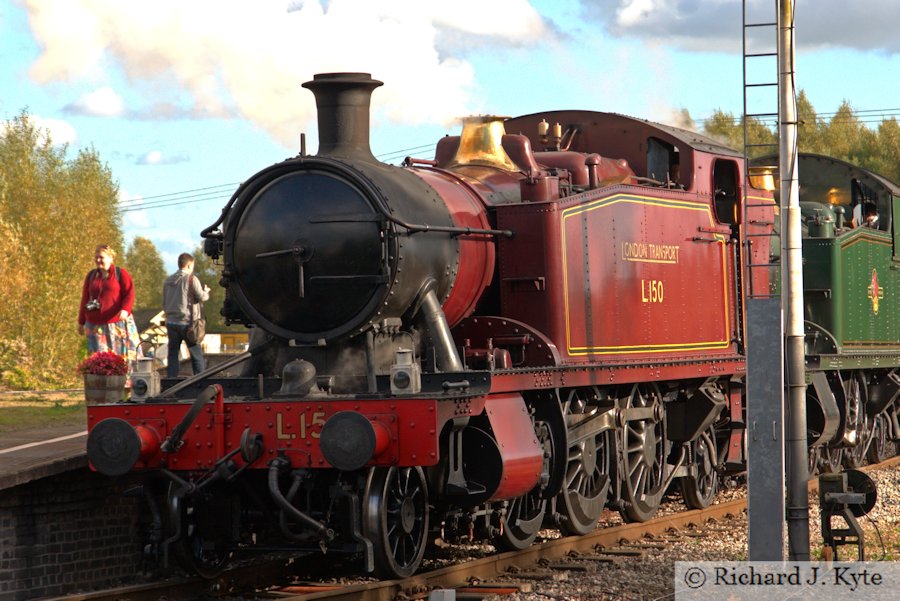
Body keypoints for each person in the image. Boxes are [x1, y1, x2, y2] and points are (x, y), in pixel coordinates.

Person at [77, 244, 142, 368]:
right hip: (95, 325)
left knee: (124, 357)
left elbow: (129, 294)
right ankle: (102, 384)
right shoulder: (91, 276)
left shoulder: (120, 274)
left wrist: (125, 310)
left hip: (118, 324)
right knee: (99, 360)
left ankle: (128, 384)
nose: (98, 260)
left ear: (111, 258)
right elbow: (85, 299)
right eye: (96, 257)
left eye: (101, 257)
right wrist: (81, 322)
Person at [162, 253, 210, 377]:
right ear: (189, 265)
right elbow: (201, 297)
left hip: (171, 322)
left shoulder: (168, 280)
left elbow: (164, 302)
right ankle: (200, 381)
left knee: (172, 355)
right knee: (196, 355)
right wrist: (206, 292)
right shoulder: (191, 279)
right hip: (188, 324)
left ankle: (171, 382)